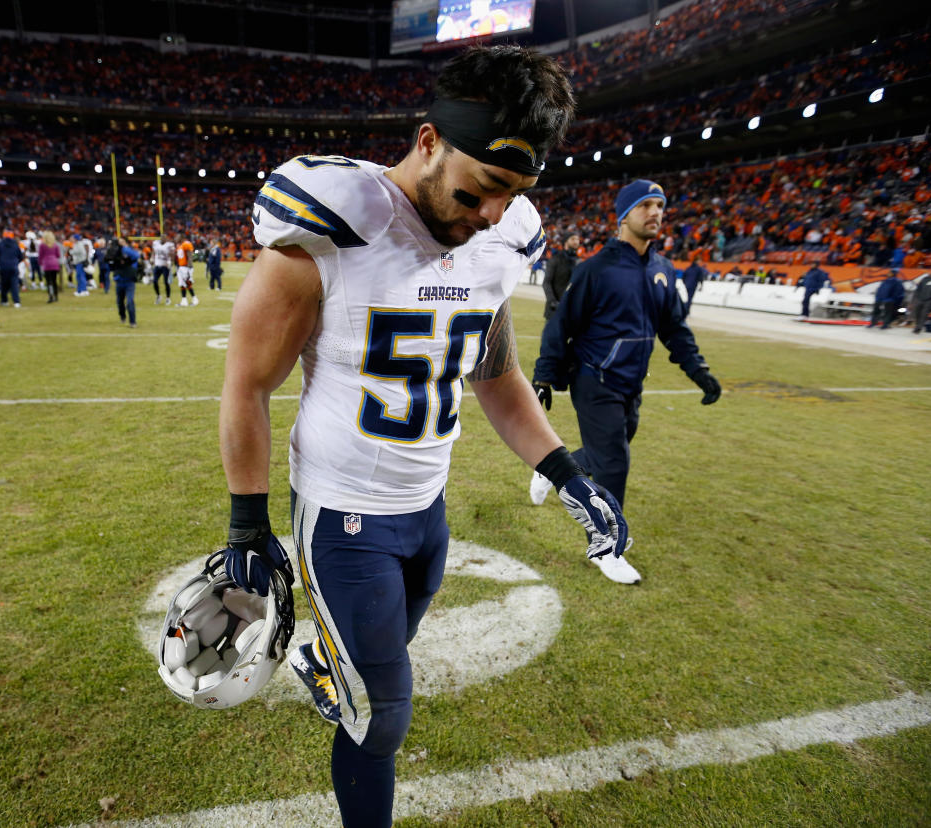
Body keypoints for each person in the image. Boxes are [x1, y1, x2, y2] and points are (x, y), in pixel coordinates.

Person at [217, 45, 626, 828]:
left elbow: (496, 373)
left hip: (426, 511)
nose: (492, 214)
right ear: (430, 141)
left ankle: (324, 661)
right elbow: (248, 384)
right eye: (485, 188)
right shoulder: (332, 225)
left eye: (514, 194)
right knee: (385, 717)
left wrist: (568, 472)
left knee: (375, 669)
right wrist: (247, 519)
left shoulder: (499, 240)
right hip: (342, 517)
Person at [530, 179, 721, 584]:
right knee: (615, 464)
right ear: (624, 215)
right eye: (646, 205)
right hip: (593, 379)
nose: (655, 213)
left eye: (660, 206)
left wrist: (699, 371)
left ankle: (553, 471)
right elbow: (561, 325)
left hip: (632, 384)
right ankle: (606, 547)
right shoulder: (597, 268)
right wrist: (545, 375)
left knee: (604, 455)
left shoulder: (662, 270)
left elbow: (675, 329)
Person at [542, 232, 579, 320]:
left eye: (577, 239)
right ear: (566, 242)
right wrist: (552, 301)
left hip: (572, 310)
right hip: (555, 309)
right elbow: (546, 282)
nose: (576, 242)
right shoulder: (556, 259)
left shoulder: (579, 261)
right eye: (573, 239)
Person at [108, 235, 140, 327]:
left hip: (129, 280)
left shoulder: (129, 252)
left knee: (130, 301)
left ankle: (132, 321)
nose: (120, 244)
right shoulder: (116, 252)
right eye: (119, 242)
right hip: (119, 280)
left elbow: (136, 256)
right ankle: (122, 316)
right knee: (120, 301)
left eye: (122, 242)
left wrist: (125, 249)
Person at [0, 231, 24, 307]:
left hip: (3, 266)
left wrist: (0, 262)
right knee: (14, 284)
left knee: (4, 284)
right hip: (13, 266)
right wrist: (15, 263)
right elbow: (21, 256)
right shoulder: (15, 244)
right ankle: (16, 302)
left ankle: (4, 301)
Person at [39, 230, 63, 303]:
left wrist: (40, 264)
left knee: (49, 282)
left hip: (47, 264)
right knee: (54, 280)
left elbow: (40, 256)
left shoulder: (42, 245)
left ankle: (51, 296)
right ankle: (56, 296)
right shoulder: (55, 245)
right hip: (55, 263)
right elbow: (58, 255)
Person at [151, 235, 174, 305]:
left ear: (166, 239)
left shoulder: (170, 245)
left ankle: (168, 298)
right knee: (154, 281)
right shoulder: (156, 243)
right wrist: (152, 258)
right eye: (161, 238)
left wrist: (171, 262)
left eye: (164, 238)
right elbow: (154, 252)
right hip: (157, 265)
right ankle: (158, 296)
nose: (163, 239)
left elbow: (173, 254)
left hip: (165, 266)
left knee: (166, 282)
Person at [175, 236, 198, 306]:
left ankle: (195, 299)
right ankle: (184, 301)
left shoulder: (186, 244)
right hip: (181, 267)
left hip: (186, 267)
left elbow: (190, 256)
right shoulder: (180, 246)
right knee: (182, 284)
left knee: (188, 284)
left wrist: (189, 268)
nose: (176, 239)